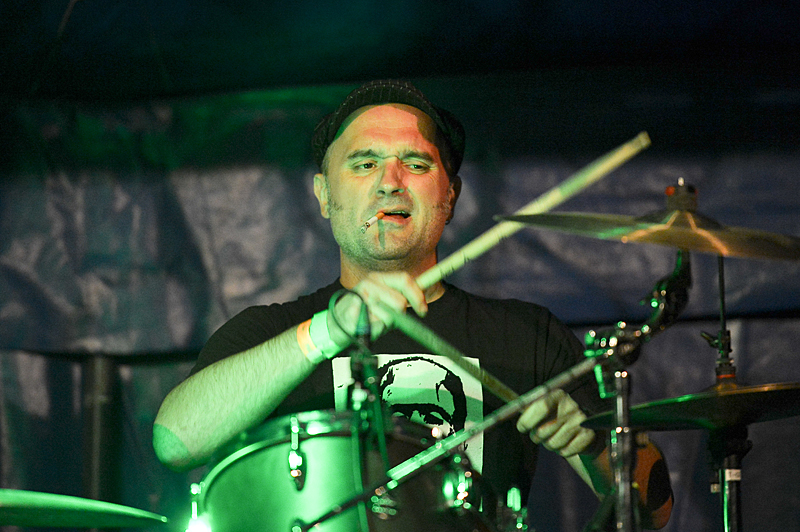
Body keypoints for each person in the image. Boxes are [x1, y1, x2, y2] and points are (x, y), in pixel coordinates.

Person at [153, 80, 673, 529]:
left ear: (450, 196)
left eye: (416, 163)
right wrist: (327, 331)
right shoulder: (273, 332)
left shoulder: (526, 335)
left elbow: (657, 509)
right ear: (324, 196)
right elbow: (175, 442)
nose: (390, 181)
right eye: (365, 163)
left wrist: (593, 445)